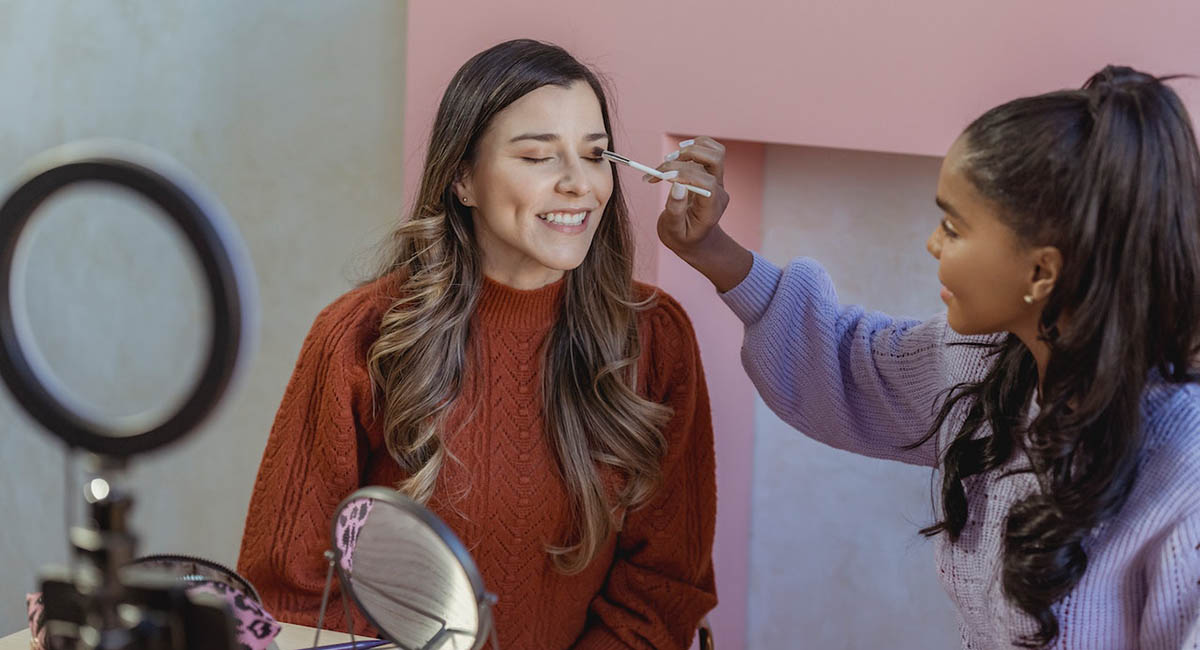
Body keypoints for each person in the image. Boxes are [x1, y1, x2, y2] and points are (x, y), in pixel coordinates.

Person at [652, 66, 1200, 648]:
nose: (933, 244)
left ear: (1041, 271)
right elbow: (848, 361)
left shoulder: (1184, 469)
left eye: (953, 227)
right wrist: (709, 247)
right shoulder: (992, 362)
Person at [237, 39, 717, 649]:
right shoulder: (359, 337)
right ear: (463, 178)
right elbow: (290, 592)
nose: (579, 185)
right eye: (540, 157)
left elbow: (662, 591)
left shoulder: (657, 338)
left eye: (595, 156)